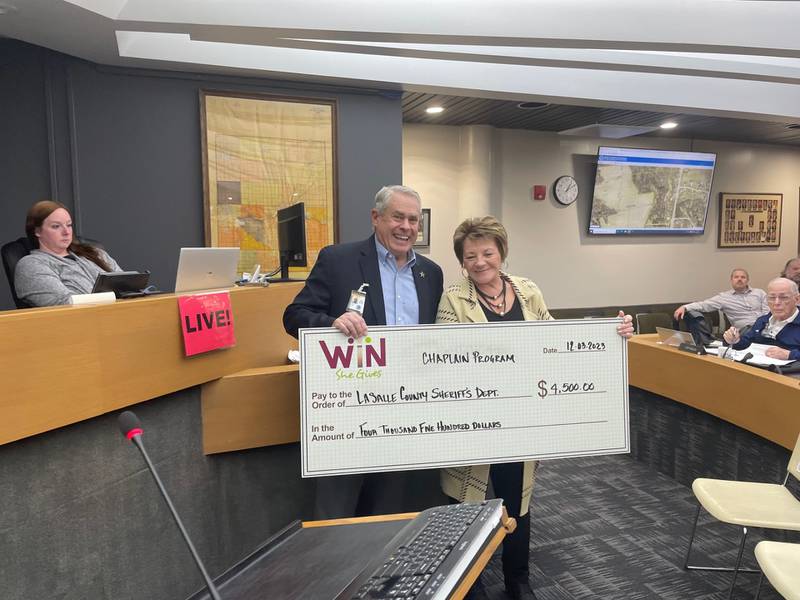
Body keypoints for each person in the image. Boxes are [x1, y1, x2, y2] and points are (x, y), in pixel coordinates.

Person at [435, 216, 633, 600]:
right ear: (461, 260)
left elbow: (555, 339)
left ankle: (517, 578)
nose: (479, 262)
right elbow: (444, 355)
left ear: (501, 253)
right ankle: (469, 580)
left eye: (487, 252)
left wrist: (612, 332)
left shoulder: (527, 290)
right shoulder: (453, 297)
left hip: (521, 417)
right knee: (465, 502)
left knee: (517, 501)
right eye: (470, 255)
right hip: (472, 419)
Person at [283, 184, 444, 518]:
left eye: (413, 220)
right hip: (349, 415)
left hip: (406, 413)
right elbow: (293, 316)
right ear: (376, 218)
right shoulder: (338, 260)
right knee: (338, 516)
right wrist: (331, 323)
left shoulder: (431, 273)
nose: (406, 227)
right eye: (397, 217)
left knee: (392, 512)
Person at [14, 200, 122, 307]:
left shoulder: (96, 253)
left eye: (69, 225)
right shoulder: (31, 265)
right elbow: (66, 303)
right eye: (56, 226)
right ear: (37, 231)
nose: (66, 232)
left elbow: (129, 288)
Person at [722, 277, 800, 361]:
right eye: (772, 298)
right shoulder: (762, 320)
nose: (776, 303)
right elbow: (746, 344)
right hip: (756, 367)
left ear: (797, 299)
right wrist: (734, 340)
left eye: (784, 298)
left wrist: (790, 355)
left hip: (787, 372)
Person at [673, 268, 767, 334]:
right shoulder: (724, 298)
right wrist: (685, 307)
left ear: (747, 280)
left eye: (743, 277)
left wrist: (764, 326)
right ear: (731, 280)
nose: (739, 279)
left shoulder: (760, 293)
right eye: (736, 277)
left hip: (765, 328)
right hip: (744, 332)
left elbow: (769, 312)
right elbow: (704, 305)